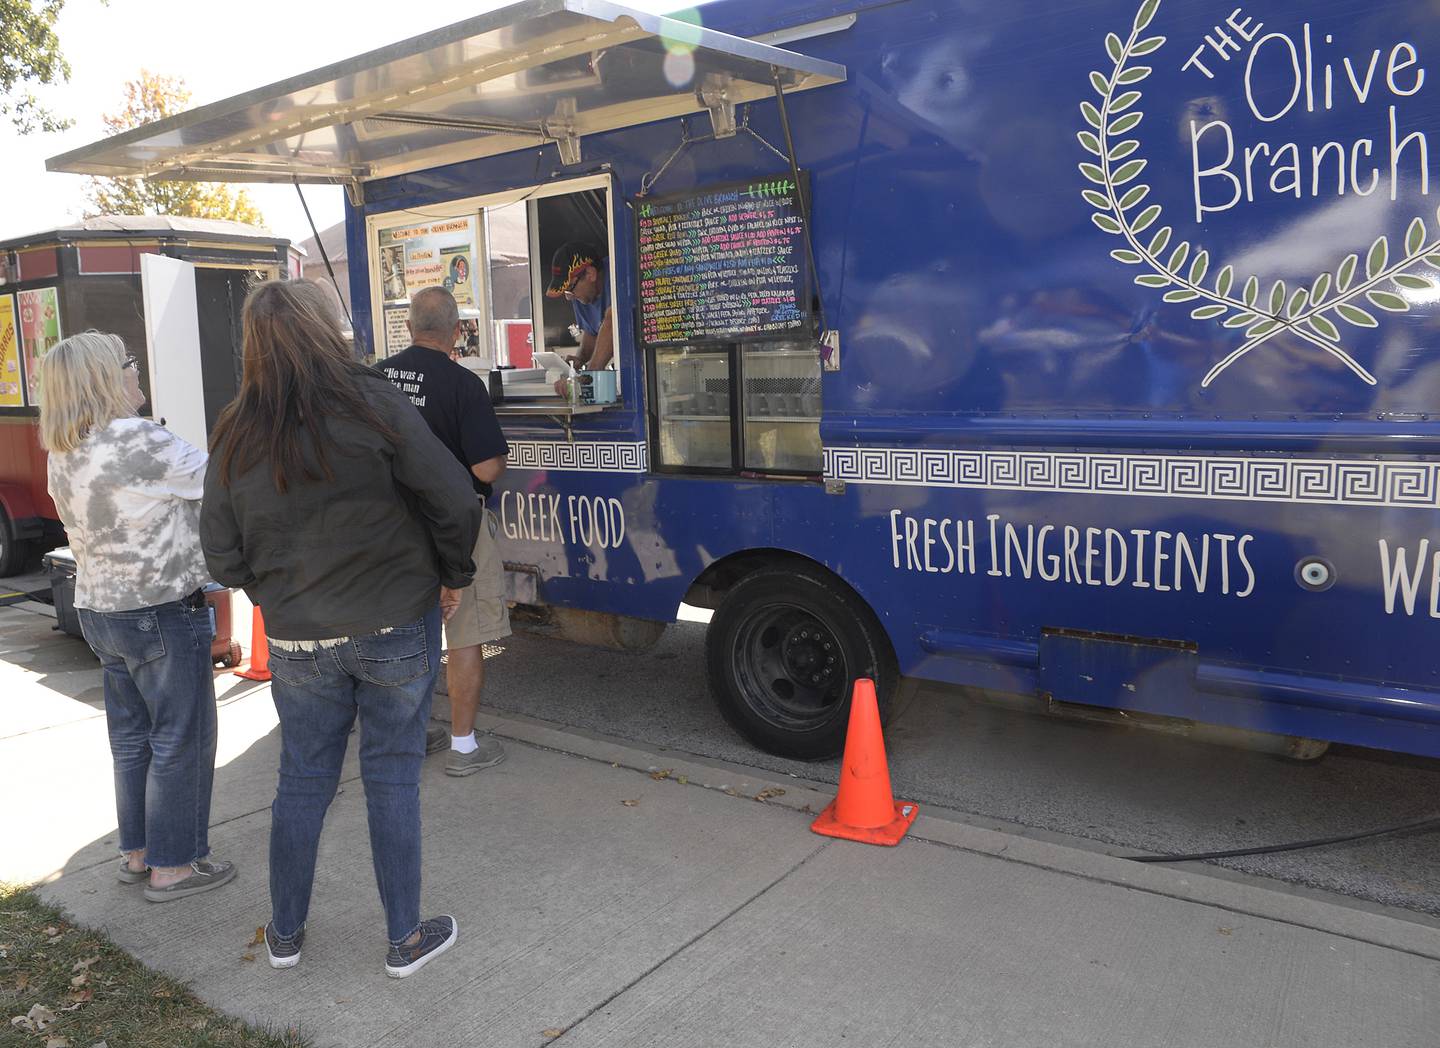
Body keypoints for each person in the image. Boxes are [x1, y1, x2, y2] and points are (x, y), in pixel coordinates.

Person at [200, 280, 480, 978]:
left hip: (297, 637)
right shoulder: (374, 400)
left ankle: (285, 937)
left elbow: (220, 551)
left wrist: (272, 596)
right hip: (394, 622)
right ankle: (404, 940)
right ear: (330, 328)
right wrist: (452, 574)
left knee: (302, 780)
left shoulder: (237, 426)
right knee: (391, 777)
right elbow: (453, 498)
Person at [38, 332, 235, 904]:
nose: (136, 371)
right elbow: (222, 483)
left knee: (132, 740)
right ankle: (174, 867)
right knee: (182, 737)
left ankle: (141, 853)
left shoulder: (63, 449)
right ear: (105, 378)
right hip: (159, 609)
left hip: (100, 608)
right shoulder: (138, 440)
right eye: (129, 364)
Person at [380, 287, 511, 776]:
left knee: (403, 632)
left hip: (391, 524)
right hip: (455, 523)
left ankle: (410, 735)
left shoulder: (374, 379)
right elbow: (487, 469)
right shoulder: (463, 385)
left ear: (410, 328)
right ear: (457, 331)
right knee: (464, 633)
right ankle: (462, 747)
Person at [546, 241, 614, 394]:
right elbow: (592, 333)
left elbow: (612, 323)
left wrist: (588, 375)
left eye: (570, 288)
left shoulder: (618, 271)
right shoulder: (581, 295)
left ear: (590, 274)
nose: (569, 297)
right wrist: (579, 360)